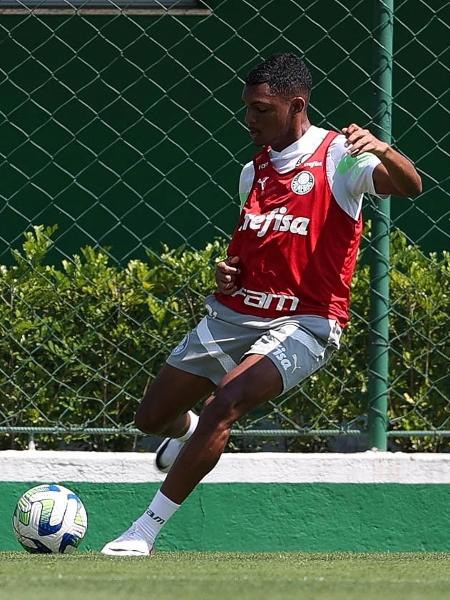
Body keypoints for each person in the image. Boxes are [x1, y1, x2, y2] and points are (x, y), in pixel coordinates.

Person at [101, 52, 422, 556]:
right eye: (247, 108)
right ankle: (187, 433)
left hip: (307, 320)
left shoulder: (343, 158)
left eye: (262, 109)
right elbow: (248, 248)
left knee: (225, 402)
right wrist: (226, 272)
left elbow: (411, 186)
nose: (250, 119)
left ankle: (143, 530)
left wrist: (383, 150)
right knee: (152, 417)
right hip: (238, 313)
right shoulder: (254, 172)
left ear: (297, 105)